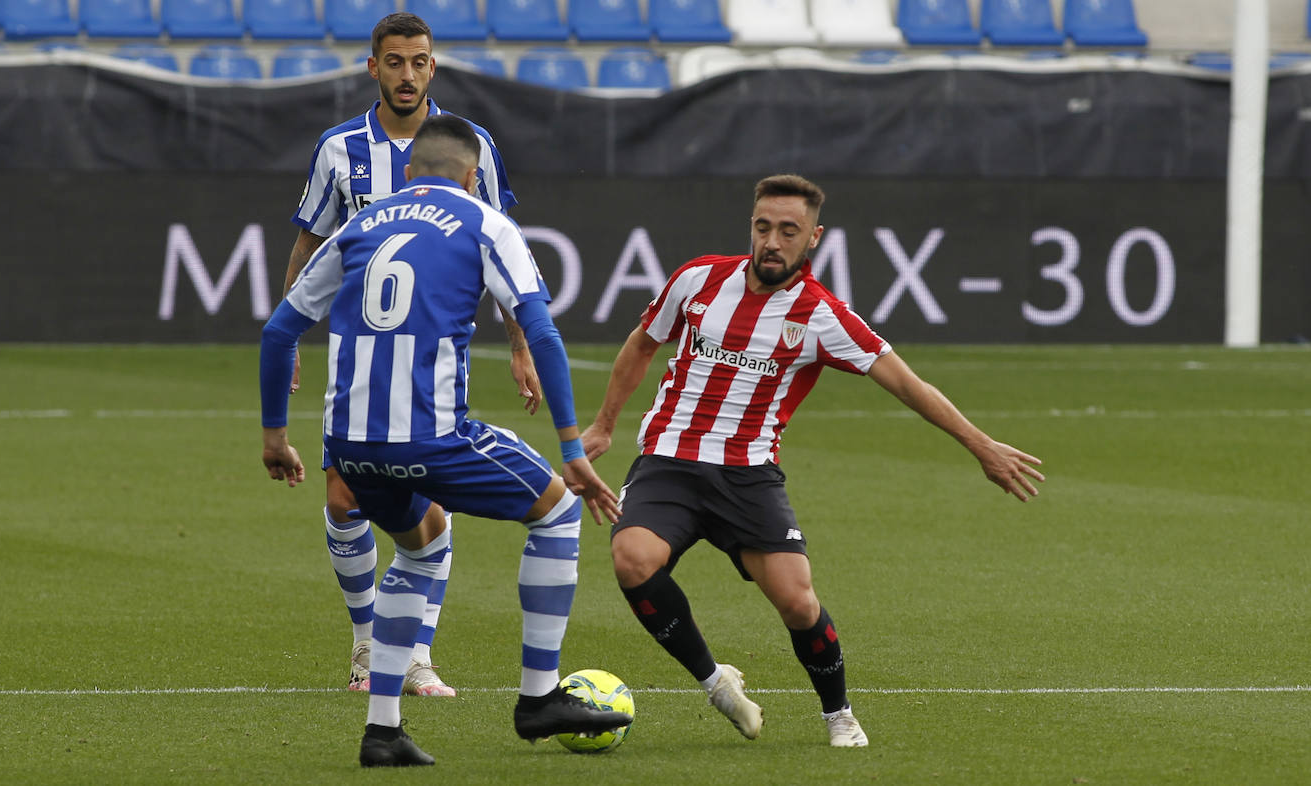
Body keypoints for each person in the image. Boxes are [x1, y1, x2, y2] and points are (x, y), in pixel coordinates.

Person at [580, 174, 1046, 748]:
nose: (772, 241)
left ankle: (838, 714)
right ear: (751, 226)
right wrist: (604, 424)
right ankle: (716, 683)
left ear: (813, 238)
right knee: (632, 559)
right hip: (669, 461)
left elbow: (908, 384)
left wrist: (982, 446)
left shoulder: (823, 316)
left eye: (788, 231)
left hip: (747, 474)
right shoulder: (697, 279)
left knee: (799, 603)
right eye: (763, 227)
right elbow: (642, 344)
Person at [260, 115, 634, 767]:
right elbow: (540, 332)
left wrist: (274, 435)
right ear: (471, 174)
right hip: (431, 437)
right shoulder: (485, 223)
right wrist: (572, 447)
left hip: (349, 446)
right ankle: (539, 697)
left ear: (409, 172)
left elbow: (278, 331)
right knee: (559, 511)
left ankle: (382, 732)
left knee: (422, 548)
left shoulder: (358, 227)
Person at [285, 12, 536, 698]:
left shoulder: (468, 144)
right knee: (343, 500)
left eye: (419, 62)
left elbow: (502, 241)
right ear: (373, 66)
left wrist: (519, 343)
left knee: (428, 497)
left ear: (434, 66)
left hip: (437, 355)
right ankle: (367, 645)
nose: (407, 74)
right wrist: (293, 332)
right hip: (357, 356)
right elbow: (310, 244)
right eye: (394, 62)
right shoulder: (339, 149)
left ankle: (416, 654)